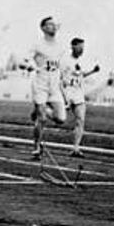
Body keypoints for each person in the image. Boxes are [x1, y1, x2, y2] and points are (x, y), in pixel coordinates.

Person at [22, 15, 67, 159]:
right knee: (42, 119)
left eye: (54, 24)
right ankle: (36, 147)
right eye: (49, 24)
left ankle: (38, 110)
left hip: (54, 85)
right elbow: (25, 59)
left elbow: (61, 66)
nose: (53, 27)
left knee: (60, 119)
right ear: (43, 28)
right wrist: (29, 65)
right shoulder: (37, 44)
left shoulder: (60, 47)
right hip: (40, 83)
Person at [61, 37, 100, 157]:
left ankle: (76, 148)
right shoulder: (65, 61)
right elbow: (60, 79)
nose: (82, 50)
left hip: (78, 93)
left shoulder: (81, 61)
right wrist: (64, 97)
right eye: (80, 47)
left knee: (80, 120)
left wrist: (93, 71)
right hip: (67, 91)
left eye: (83, 48)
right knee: (58, 118)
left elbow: (81, 75)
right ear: (73, 46)